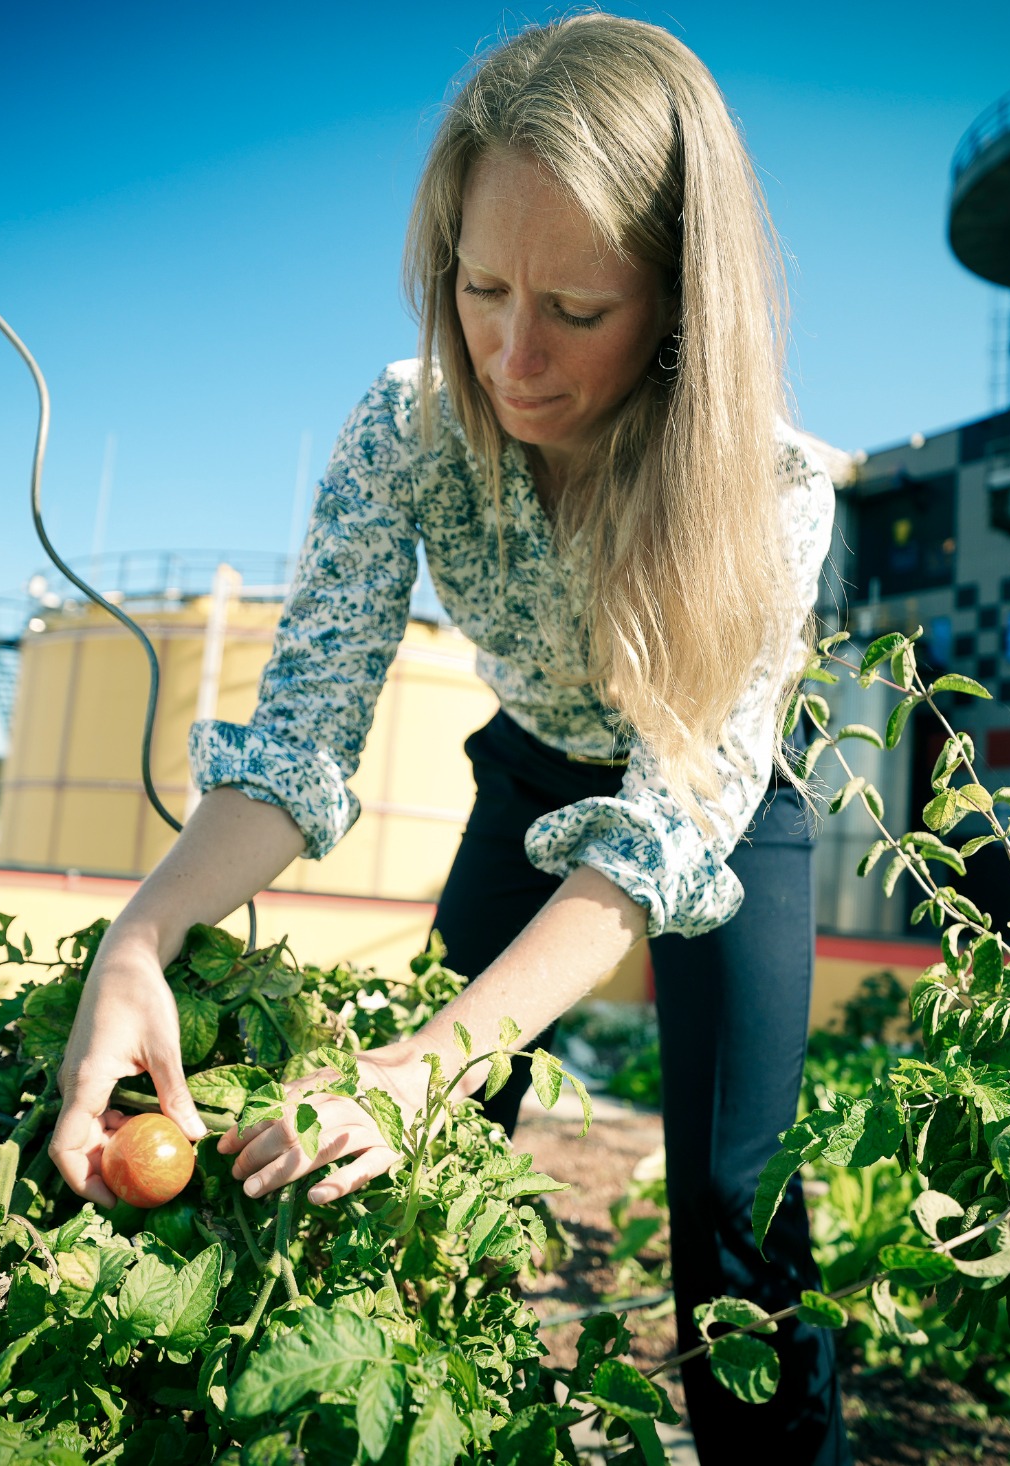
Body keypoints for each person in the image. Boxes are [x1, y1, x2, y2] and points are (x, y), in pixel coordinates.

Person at [48, 15, 846, 1463]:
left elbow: (661, 834)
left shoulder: (772, 491)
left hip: (721, 822)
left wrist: (424, 1053)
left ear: (679, 301)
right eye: (483, 288)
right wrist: (141, 935)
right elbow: (299, 744)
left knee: (734, 1208)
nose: (512, 355)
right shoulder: (404, 429)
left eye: (576, 311)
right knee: (433, 1139)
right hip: (533, 769)